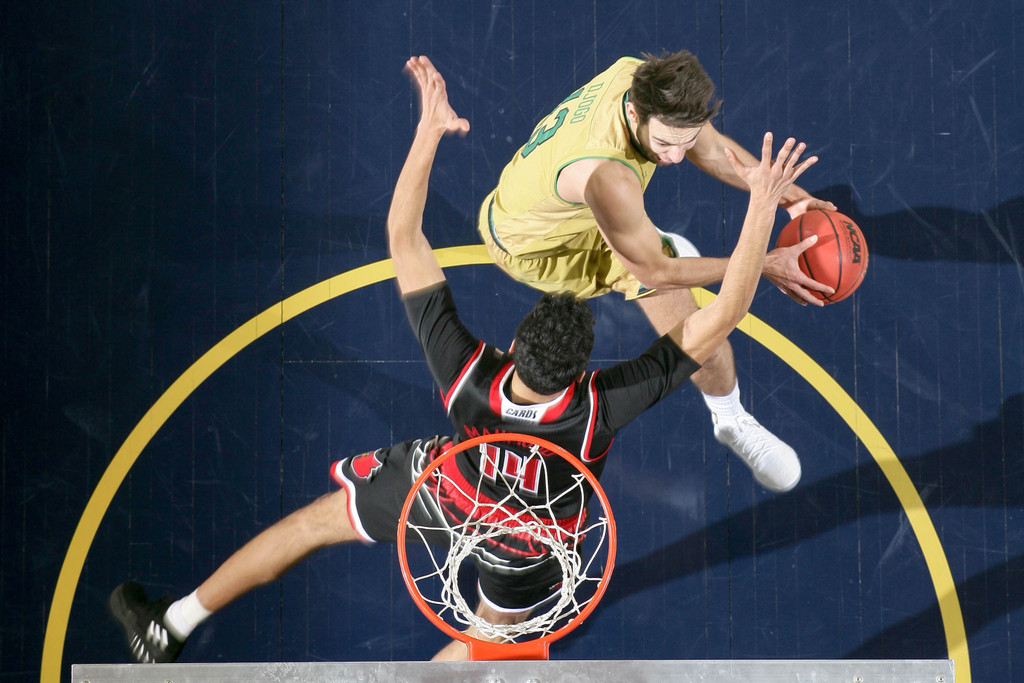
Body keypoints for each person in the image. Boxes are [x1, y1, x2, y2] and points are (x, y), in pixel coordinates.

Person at [109, 56, 819, 664]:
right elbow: (716, 312)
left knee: (307, 527)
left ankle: (172, 624)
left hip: (448, 495)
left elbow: (403, 235)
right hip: (530, 541)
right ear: (583, 373)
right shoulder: (599, 406)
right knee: (482, 641)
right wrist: (762, 225)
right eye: (667, 143)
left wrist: (426, 133)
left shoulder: (468, 374)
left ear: (510, 349)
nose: (675, 156)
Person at [479, 50, 838, 493]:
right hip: (541, 248)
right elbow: (656, 271)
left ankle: (648, 242)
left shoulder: (641, 78)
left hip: (551, 204)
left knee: (660, 249)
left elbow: (711, 149)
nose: (675, 157)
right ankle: (731, 420)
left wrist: (792, 199)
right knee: (703, 335)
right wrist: (762, 264)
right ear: (634, 112)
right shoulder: (607, 175)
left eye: (684, 141)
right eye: (665, 143)